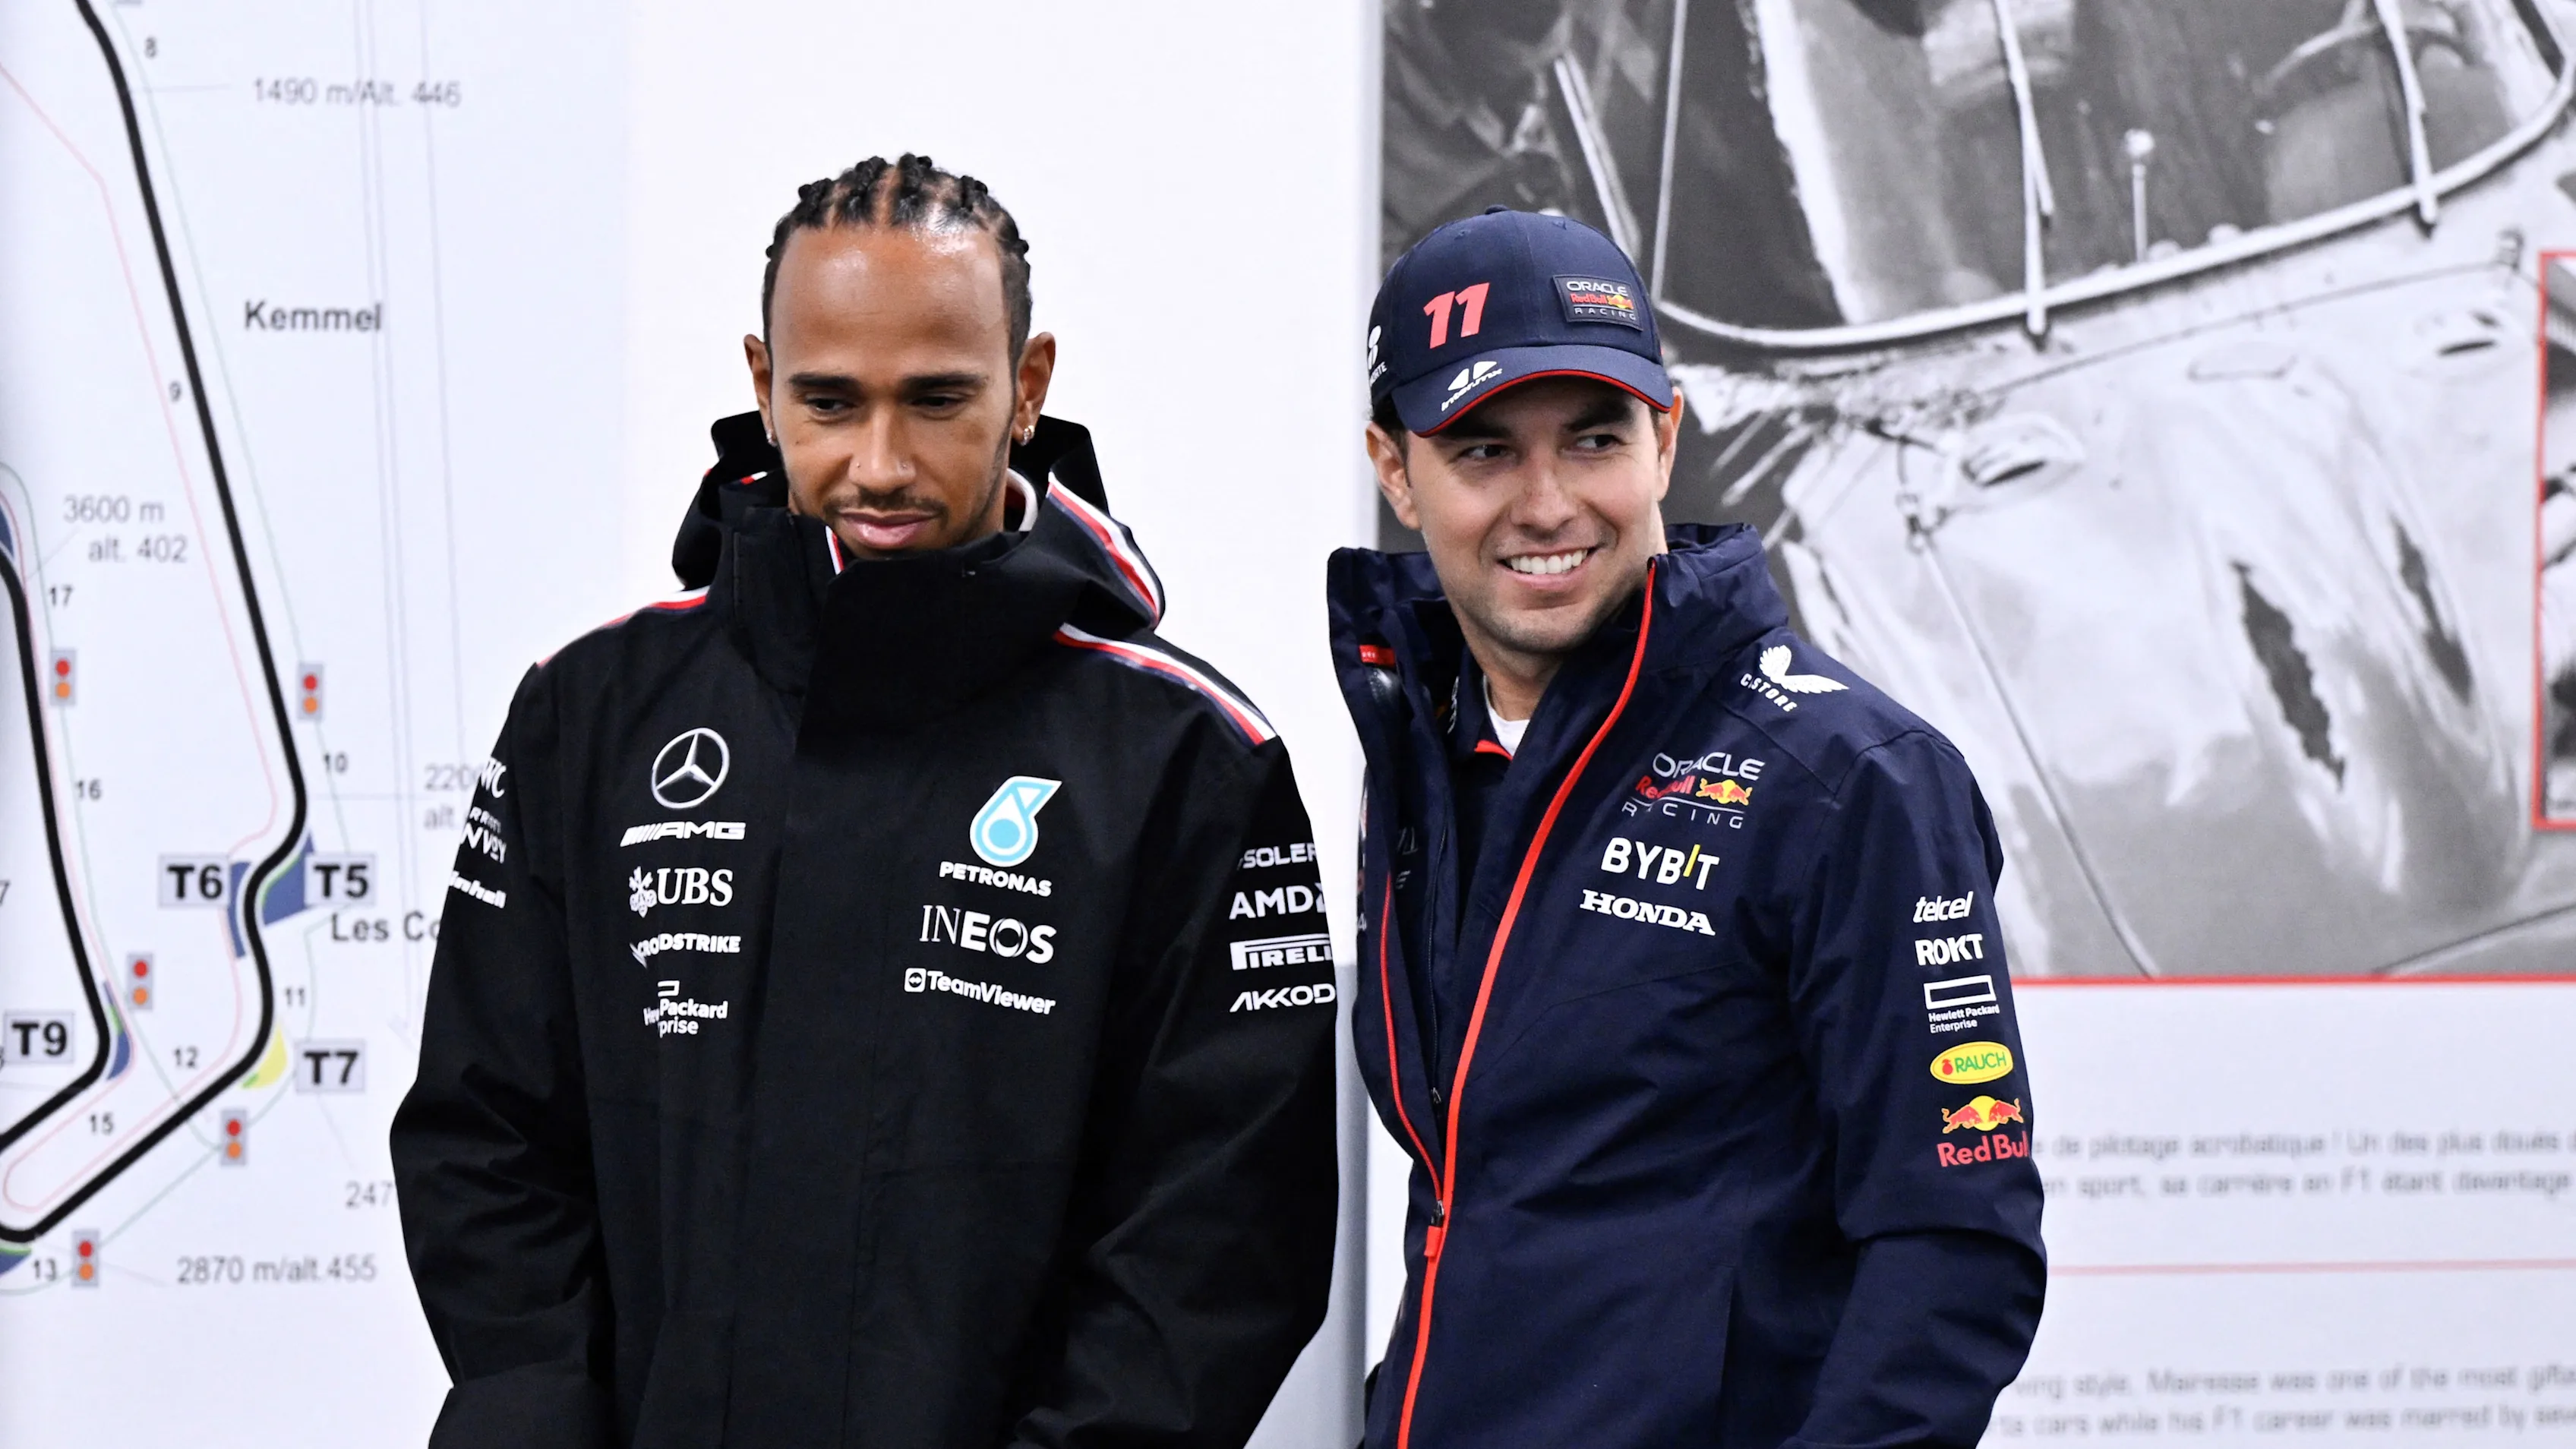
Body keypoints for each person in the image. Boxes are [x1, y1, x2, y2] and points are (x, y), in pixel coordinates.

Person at [392, 154, 1339, 1449]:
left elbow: (1219, 1238)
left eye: (936, 400)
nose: (878, 465)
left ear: (1030, 387)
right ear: (761, 385)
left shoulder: (1187, 760)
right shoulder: (589, 712)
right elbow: (485, 1140)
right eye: (828, 402)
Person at [1332, 207, 2044, 1449]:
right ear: (1395, 468)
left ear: (1664, 439)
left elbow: (1956, 1248)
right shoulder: (1423, 751)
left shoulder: (1852, 780)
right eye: (1484, 450)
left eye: (1594, 439)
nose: (1548, 504)